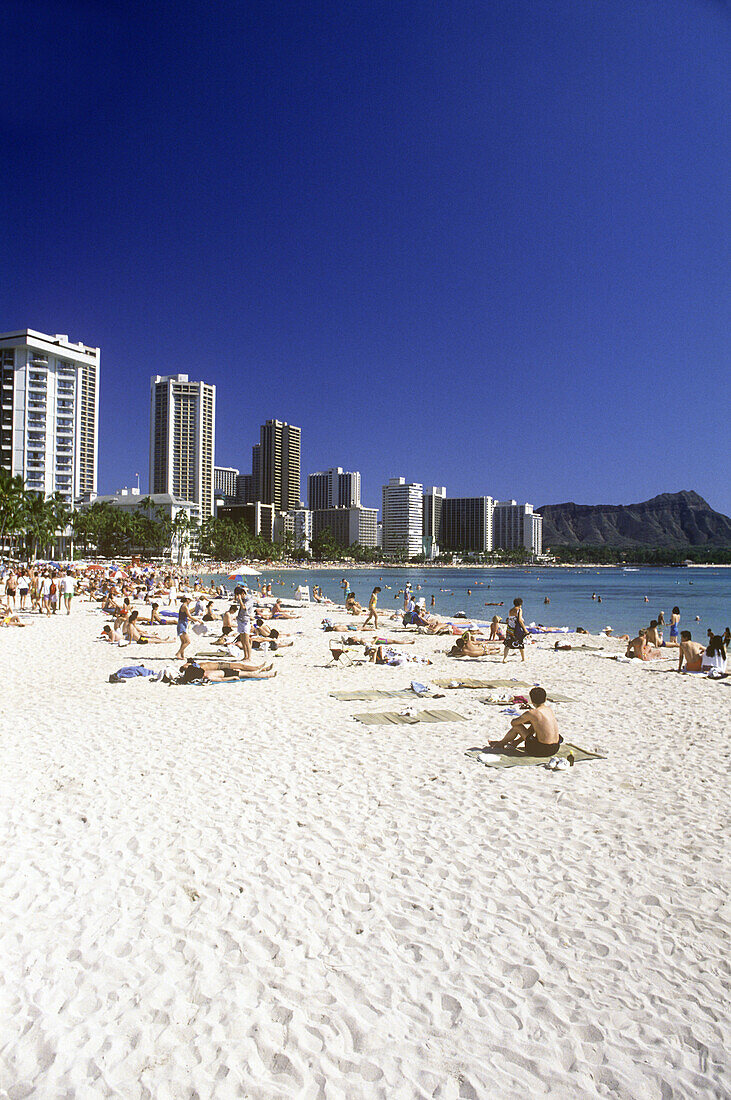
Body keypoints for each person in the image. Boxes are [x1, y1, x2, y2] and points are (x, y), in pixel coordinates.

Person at [488, 687, 562, 757]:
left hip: (541, 750)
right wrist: (531, 721)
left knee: (517, 727)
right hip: (555, 748)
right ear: (545, 699)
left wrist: (525, 720)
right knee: (534, 725)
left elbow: (514, 723)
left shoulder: (532, 713)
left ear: (532, 701)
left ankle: (501, 744)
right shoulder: (549, 710)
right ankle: (515, 743)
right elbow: (541, 722)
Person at [502, 597, 528, 663]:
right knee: (520, 642)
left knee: (507, 644)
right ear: (520, 604)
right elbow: (519, 620)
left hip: (510, 628)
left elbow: (509, 619)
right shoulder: (519, 609)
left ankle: (505, 658)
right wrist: (525, 629)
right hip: (517, 629)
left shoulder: (510, 610)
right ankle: (523, 658)